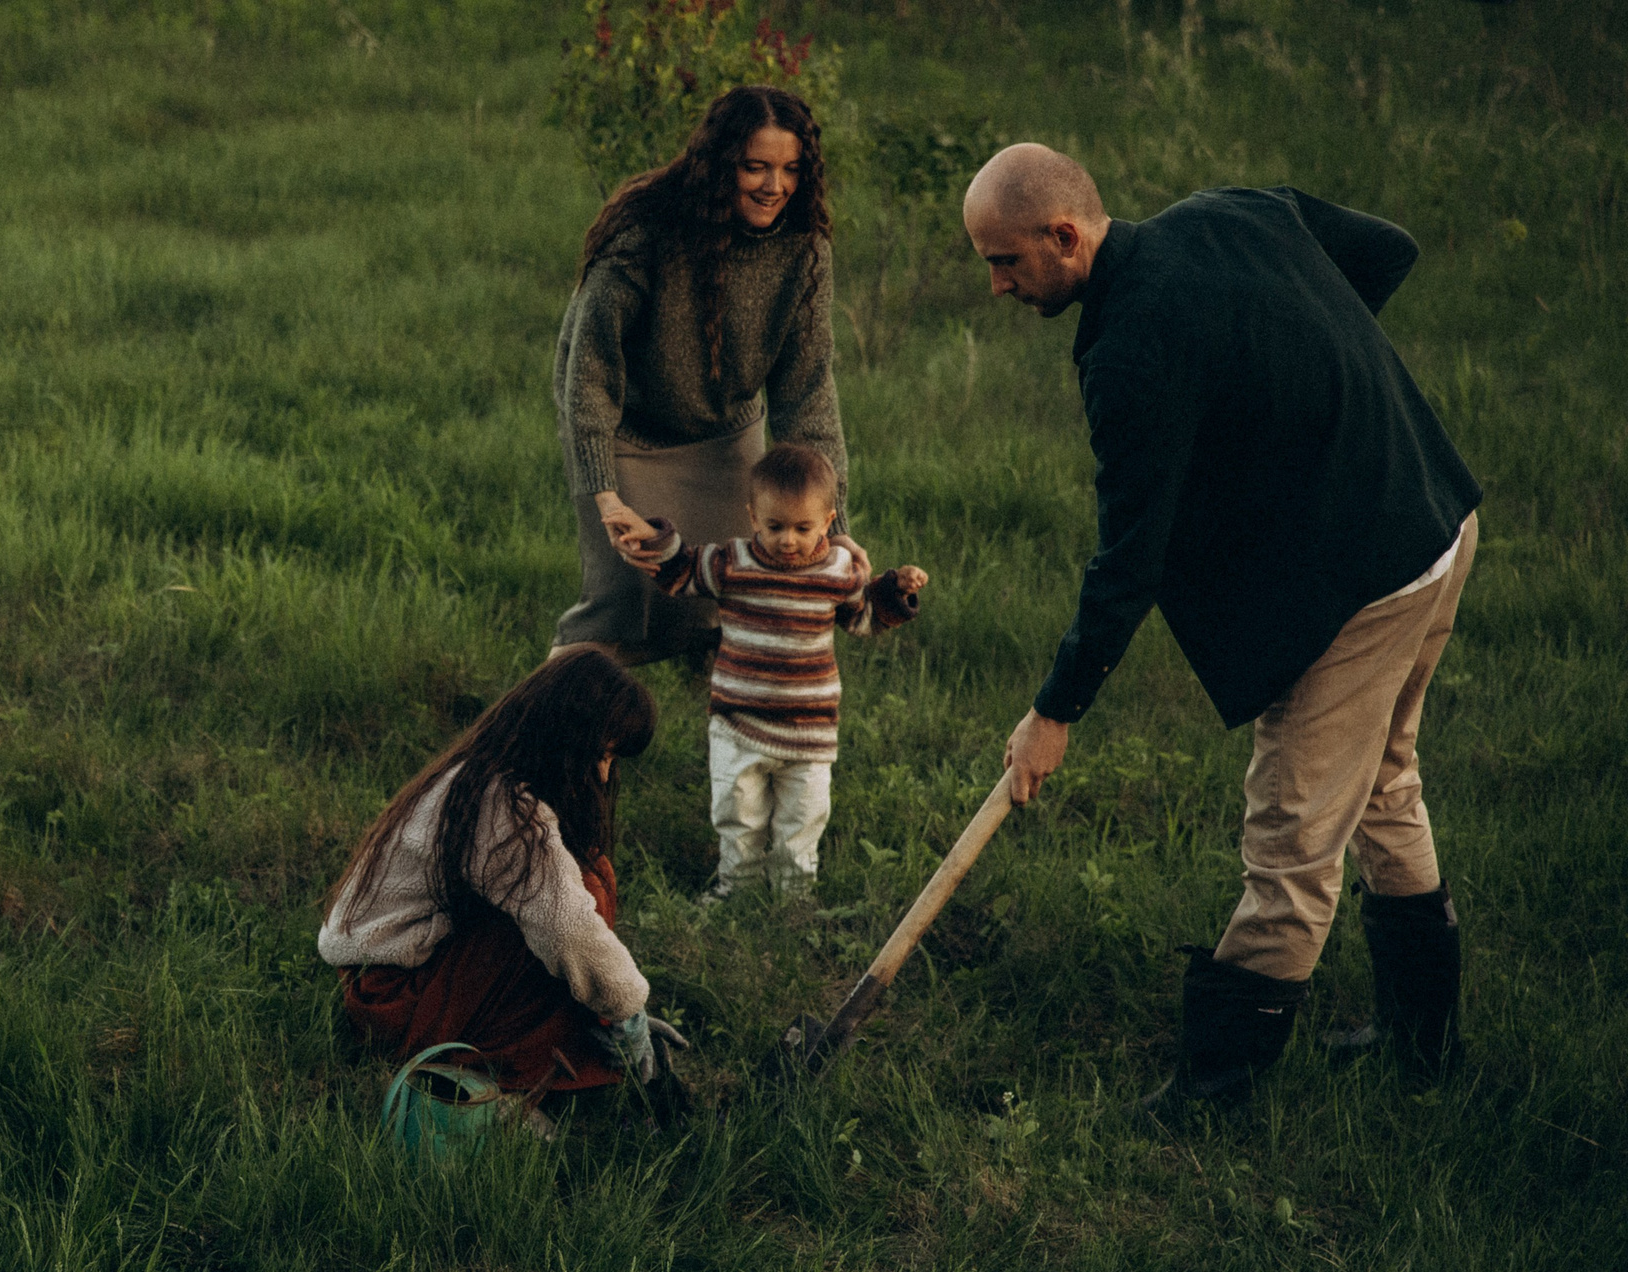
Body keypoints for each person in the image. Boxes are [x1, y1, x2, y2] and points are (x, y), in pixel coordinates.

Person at [962, 144, 1482, 1105]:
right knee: (1384, 782)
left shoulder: (1129, 355)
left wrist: (1055, 710)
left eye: (1006, 261)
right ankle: (1425, 1052)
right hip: (1435, 516)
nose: (996, 286)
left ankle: (1214, 1092)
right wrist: (1297, 388)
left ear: (1064, 237)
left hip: (1367, 576)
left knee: (1292, 828)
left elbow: (1129, 560)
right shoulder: (1232, 209)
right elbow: (1387, 251)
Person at [551, 85, 857, 664]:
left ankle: (732, 753)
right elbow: (586, 369)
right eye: (755, 167)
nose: (775, 186)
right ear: (721, 165)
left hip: (725, 439)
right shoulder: (647, 231)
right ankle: (538, 750)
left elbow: (808, 393)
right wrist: (604, 495)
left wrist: (835, 524)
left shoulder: (805, 248)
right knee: (617, 611)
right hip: (627, 436)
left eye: (790, 169)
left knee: (736, 603)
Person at [319, 646, 688, 1108]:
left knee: (580, 884)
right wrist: (626, 1010)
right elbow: (568, 929)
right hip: (390, 999)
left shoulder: (482, 776)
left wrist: (616, 1008)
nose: (605, 772)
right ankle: (501, 1081)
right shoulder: (503, 809)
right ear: (569, 739)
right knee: (582, 896)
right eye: (604, 754)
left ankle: (565, 1049)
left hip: (388, 984)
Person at [620, 442, 925, 899]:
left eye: (803, 528)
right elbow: (682, 569)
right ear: (752, 517)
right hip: (739, 724)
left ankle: (792, 902)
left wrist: (894, 590)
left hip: (809, 733)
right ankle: (735, 889)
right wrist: (653, 537)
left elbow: (863, 617)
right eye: (774, 526)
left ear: (828, 521)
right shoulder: (732, 563)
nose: (788, 540)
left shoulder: (838, 571)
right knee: (737, 814)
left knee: (802, 821)